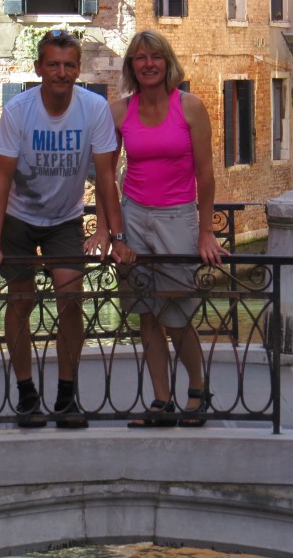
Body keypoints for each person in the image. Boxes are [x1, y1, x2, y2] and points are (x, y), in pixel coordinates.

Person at [0, 29, 136, 428]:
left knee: (71, 297)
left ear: (78, 69)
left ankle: (66, 394)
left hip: (64, 219)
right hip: (18, 219)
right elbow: (2, 179)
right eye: (53, 65)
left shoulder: (94, 109)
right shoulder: (18, 110)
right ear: (39, 68)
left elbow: (105, 178)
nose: (61, 73)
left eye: (68, 65)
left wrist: (113, 235)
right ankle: (26, 393)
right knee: (21, 301)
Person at [92, 30, 230, 428]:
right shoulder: (119, 112)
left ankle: (198, 390)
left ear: (167, 62)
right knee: (146, 314)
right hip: (134, 216)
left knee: (176, 313)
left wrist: (205, 231)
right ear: (131, 66)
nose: (148, 64)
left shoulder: (190, 107)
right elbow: (105, 177)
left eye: (155, 57)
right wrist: (107, 230)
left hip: (177, 217)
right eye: (140, 57)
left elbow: (205, 173)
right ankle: (161, 400)